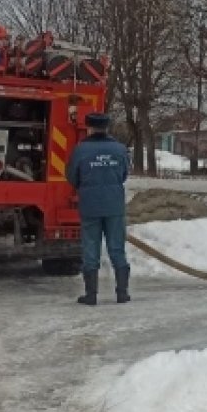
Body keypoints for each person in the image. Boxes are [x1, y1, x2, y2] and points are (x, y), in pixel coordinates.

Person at [66, 112, 131, 305]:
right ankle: (122, 293)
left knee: (90, 248)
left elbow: (71, 176)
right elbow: (125, 174)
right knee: (117, 247)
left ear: (89, 128)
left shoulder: (80, 150)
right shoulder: (120, 149)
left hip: (90, 205)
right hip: (114, 205)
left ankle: (91, 295)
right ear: (107, 128)